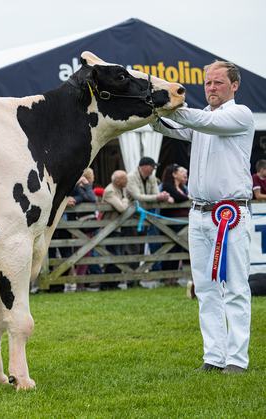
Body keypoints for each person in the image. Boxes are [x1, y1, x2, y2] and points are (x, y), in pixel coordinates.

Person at [152, 60, 254, 374]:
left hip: (231, 212)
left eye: (218, 83)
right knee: (205, 288)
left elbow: (196, 121)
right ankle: (214, 357)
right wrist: (150, 108)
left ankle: (237, 359)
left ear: (234, 86)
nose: (211, 88)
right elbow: (162, 126)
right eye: (208, 83)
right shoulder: (202, 120)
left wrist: (167, 103)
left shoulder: (240, 114)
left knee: (236, 287)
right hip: (198, 214)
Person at [125, 157, 173, 265]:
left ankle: (137, 278)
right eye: (153, 166)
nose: (154, 169)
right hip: (130, 216)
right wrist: (158, 197)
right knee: (133, 247)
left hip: (144, 216)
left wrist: (161, 196)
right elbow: (138, 196)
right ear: (144, 167)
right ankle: (132, 279)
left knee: (141, 246)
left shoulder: (151, 178)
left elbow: (156, 194)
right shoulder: (131, 177)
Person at [159, 164, 190, 280]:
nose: (183, 175)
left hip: (181, 222)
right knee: (170, 248)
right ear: (174, 174)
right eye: (180, 172)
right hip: (172, 223)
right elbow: (178, 197)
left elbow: (179, 196)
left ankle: (175, 276)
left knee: (179, 248)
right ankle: (167, 276)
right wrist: (187, 198)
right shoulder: (167, 186)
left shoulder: (182, 187)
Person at [100, 170, 130, 289]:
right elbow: (122, 208)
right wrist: (126, 200)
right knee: (115, 256)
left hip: (121, 226)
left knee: (120, 256)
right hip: (112, 228)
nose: (127, 181)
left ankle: (114, 283)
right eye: (125, 179)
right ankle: (106, 284)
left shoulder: (123, 188)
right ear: (117, 181)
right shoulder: (110, 190)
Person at [70, 168, 99, 287]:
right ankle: (80, 283)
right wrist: (86, 184)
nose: (94, 179)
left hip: (84, 225)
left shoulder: (80, 189)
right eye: (92, 177)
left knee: (87, 252)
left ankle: (83, 282)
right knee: (84, 253)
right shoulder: (80, 188)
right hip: (82, 226)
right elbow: (93, 199)